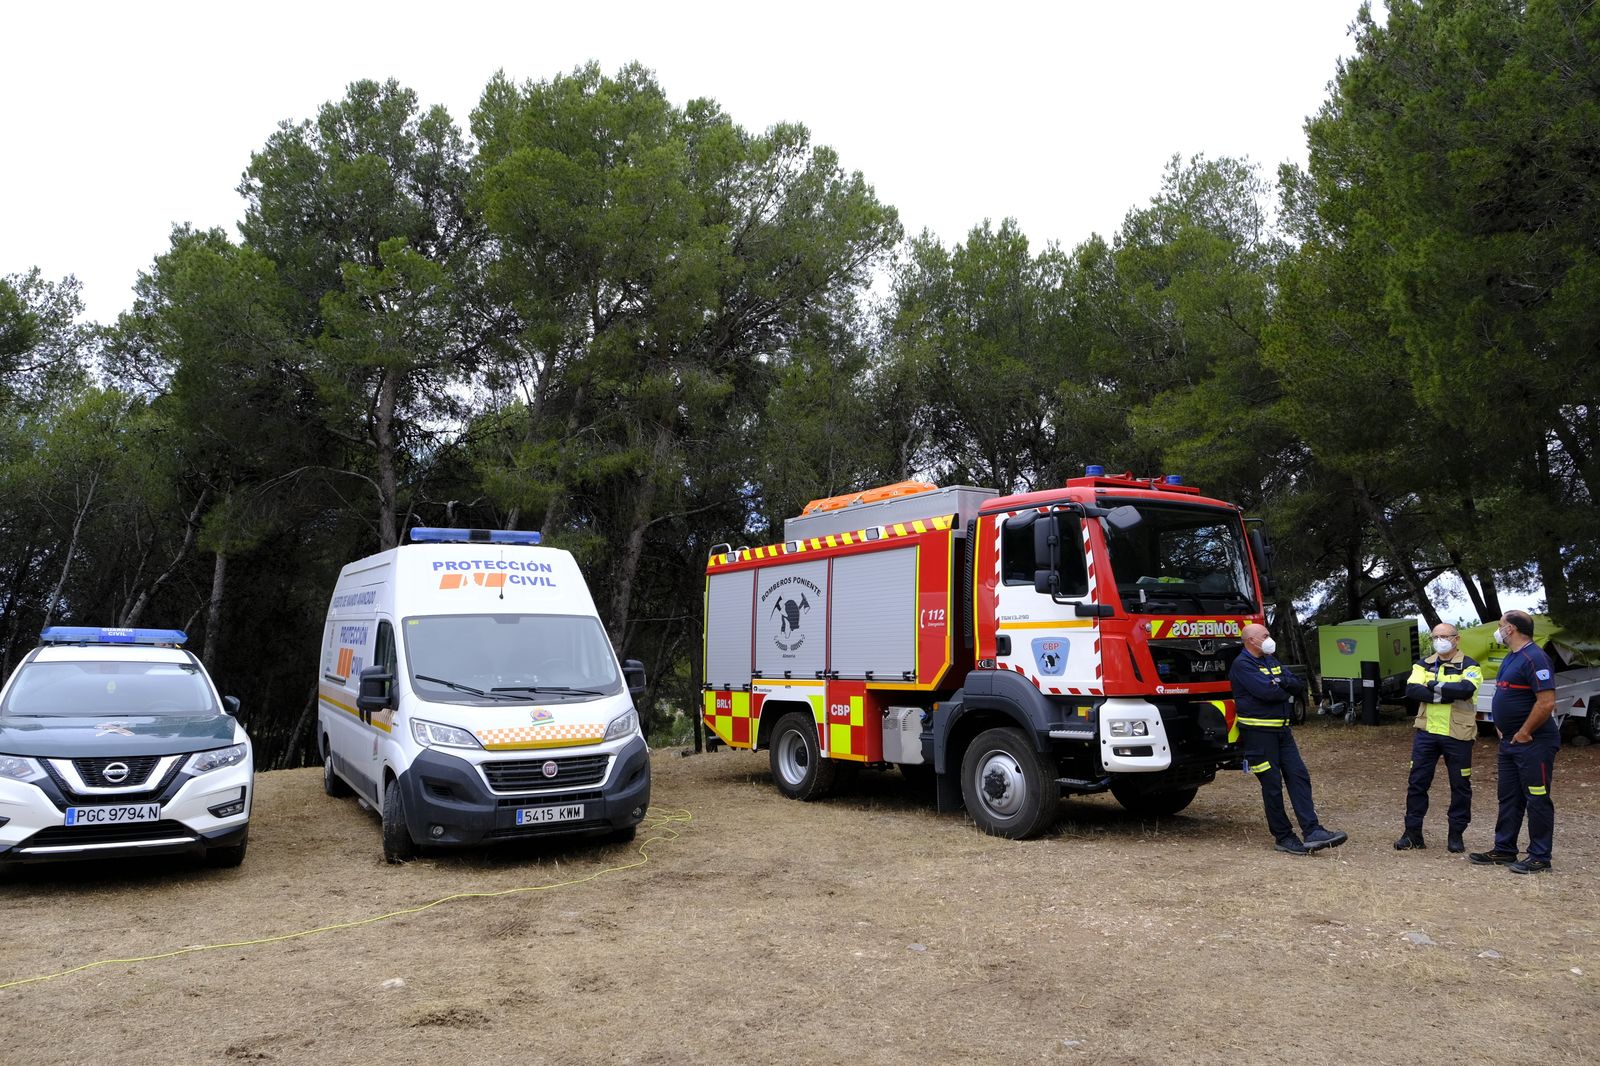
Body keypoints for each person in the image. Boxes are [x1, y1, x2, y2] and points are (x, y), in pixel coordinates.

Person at [1230, 623, 1348, 855]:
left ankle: (1312, 831)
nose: (1269, 638)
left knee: (1299, 776)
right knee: (1272, 786)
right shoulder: (1242, 664)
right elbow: (1267, 693)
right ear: (1251, 640)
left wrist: (1280, 683)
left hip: (1283, 732)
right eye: (1265, 635)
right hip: (1259, 735)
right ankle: (1283, 837)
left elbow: (1297, 684)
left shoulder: (1271, 660)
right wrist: (1281, 686)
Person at [1469, 610, 1559, 874]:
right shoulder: (1512, 656)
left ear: (1511, 629)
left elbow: (1546, 703)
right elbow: (1505, 692)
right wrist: (1501, 726)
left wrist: (1524, 732)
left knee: (1537, 798)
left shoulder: (1536, 658)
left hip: (1534, 742)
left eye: (1500, 625)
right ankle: (1504, 849)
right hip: (1509, 742)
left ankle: (1540, 856)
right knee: (1509, 797)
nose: (1497, 630)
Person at [1396, 623, 1482, 852]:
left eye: (1444, 636)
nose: (1439, 640)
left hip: (1458, 734)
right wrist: (1444, 695)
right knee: (1417, 783)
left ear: (1457, 639)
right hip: (1427, 733)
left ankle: (1456, 835)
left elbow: (1466, 690)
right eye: (1435, 637)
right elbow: (1412, 690)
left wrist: (1433, 685)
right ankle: (1412, 834)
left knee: (1460, 786)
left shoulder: (1470, 665)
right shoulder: (1423, 664)